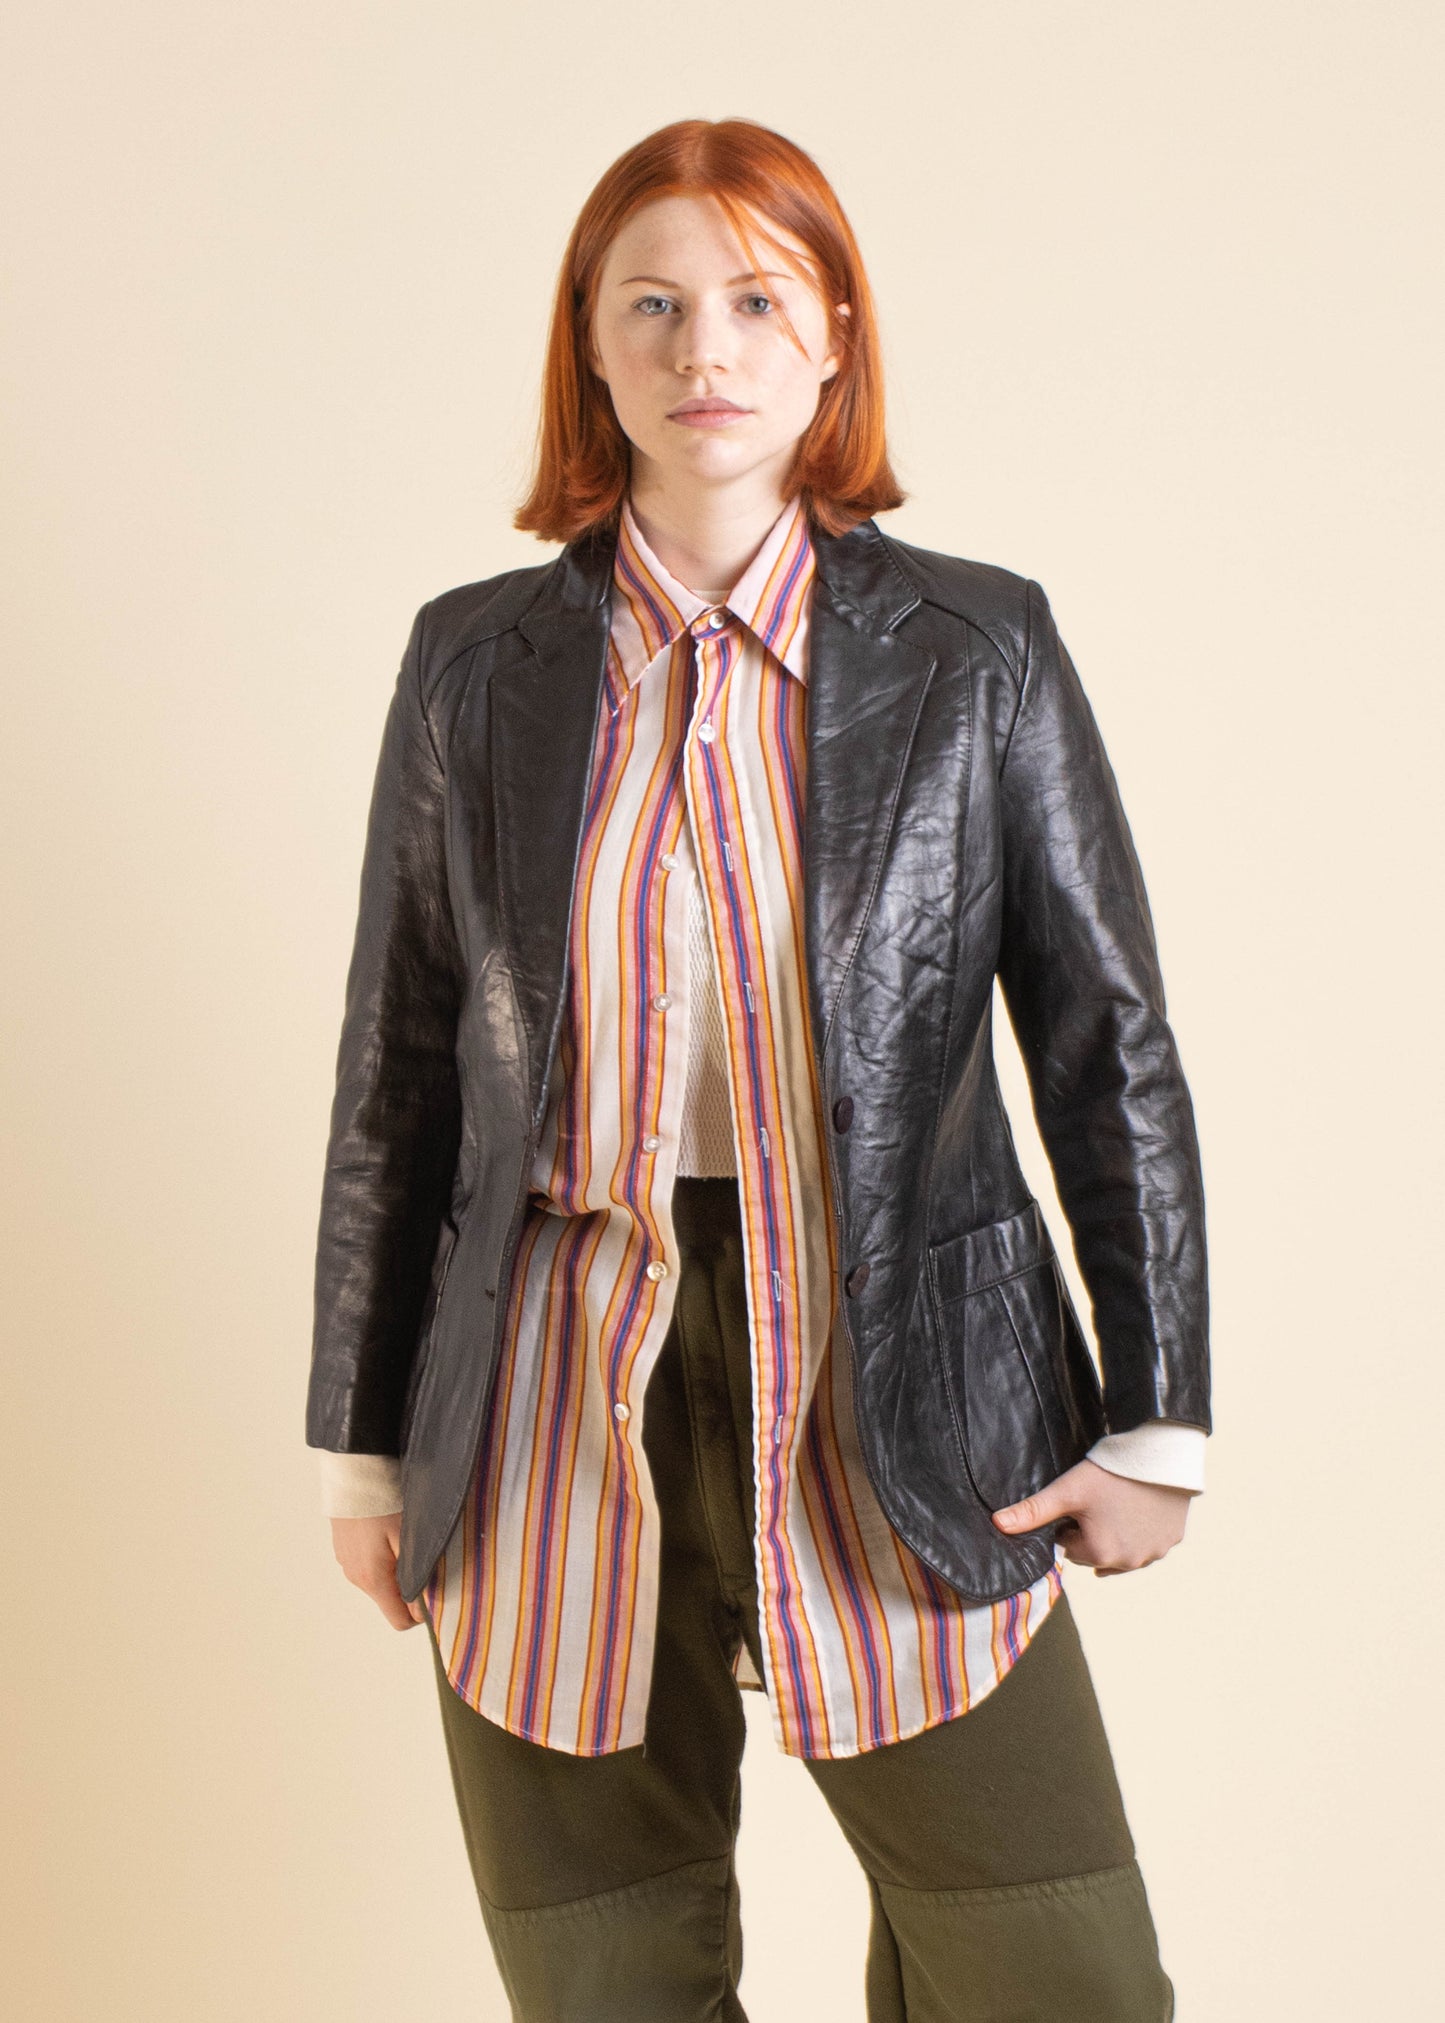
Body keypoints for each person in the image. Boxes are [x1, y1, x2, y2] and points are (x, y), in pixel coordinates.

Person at [306, 117, 1210, 2022]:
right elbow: (400, 1065)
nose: (701, 349)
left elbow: (1102, 1035)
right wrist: (369, 1442)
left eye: (753, 300)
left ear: (830, 337)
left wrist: (1154, 1416)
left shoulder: (975, 647)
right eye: (650, 306)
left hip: (907, 1388)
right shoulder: (472, 665)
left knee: (1059, 1983)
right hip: (550, 1398)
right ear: (590, 343)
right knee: (606, 1987)